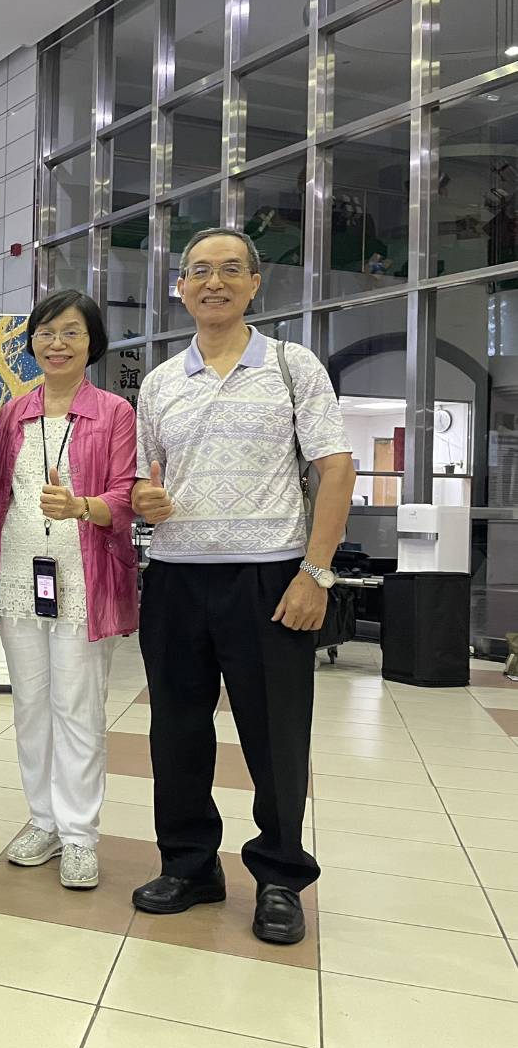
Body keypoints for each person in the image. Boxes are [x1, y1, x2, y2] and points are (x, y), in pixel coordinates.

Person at [131, 227, 355, 945]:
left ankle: (281, 877)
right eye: (199, 271)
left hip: (270, 577)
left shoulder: (291, 366)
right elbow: (142, 481)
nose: (214, 282)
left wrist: (315, 572)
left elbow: (336, 468)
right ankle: (189, 865)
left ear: (255, 284)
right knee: (176, 733)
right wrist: (143, 500)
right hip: (175, 577)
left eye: (231, 269)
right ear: (180, 287)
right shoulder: (161, 382)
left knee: (274, 734)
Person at [0, 290, 138, 891]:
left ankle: (80, 834)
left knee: (78, 708)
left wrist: (81, 506)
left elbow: (125, 496)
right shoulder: (14, 413)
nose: (56, 344)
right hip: (20, 571)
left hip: (83, 576)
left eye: (70, 332)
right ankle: (43, 821)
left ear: (92, 342)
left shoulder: (115, 412)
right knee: (31, 705)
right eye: (45, 332)